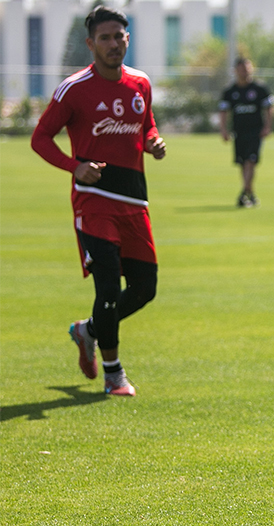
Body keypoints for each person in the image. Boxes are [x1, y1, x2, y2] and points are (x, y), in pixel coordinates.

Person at [30, 5, 166, 396]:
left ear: (128, 39)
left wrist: (153, 141)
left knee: (145, 288)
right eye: (104, 38)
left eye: (118, 37)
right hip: (93, 201)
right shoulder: (74, 89)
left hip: (134, 201)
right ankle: (113, 373)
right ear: (91, 44)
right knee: (107, 288)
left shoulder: (141, 83)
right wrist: (75, 167)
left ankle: (86, 330)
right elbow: (40, 139)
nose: (112, 44)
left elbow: (146, 123)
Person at [219, 57, 274, 208]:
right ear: (236, 71)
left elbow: (269, 107)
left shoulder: (259, 89)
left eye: (247, 68)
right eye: (242, 69)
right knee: (243, 163)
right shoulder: (230, 92)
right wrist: (223, 130)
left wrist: (268, 126)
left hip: (255, 132)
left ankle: (244, 192)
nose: (245, 71)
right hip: (238, 132)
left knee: (251, 161)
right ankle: (250, 193)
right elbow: (223, 111)